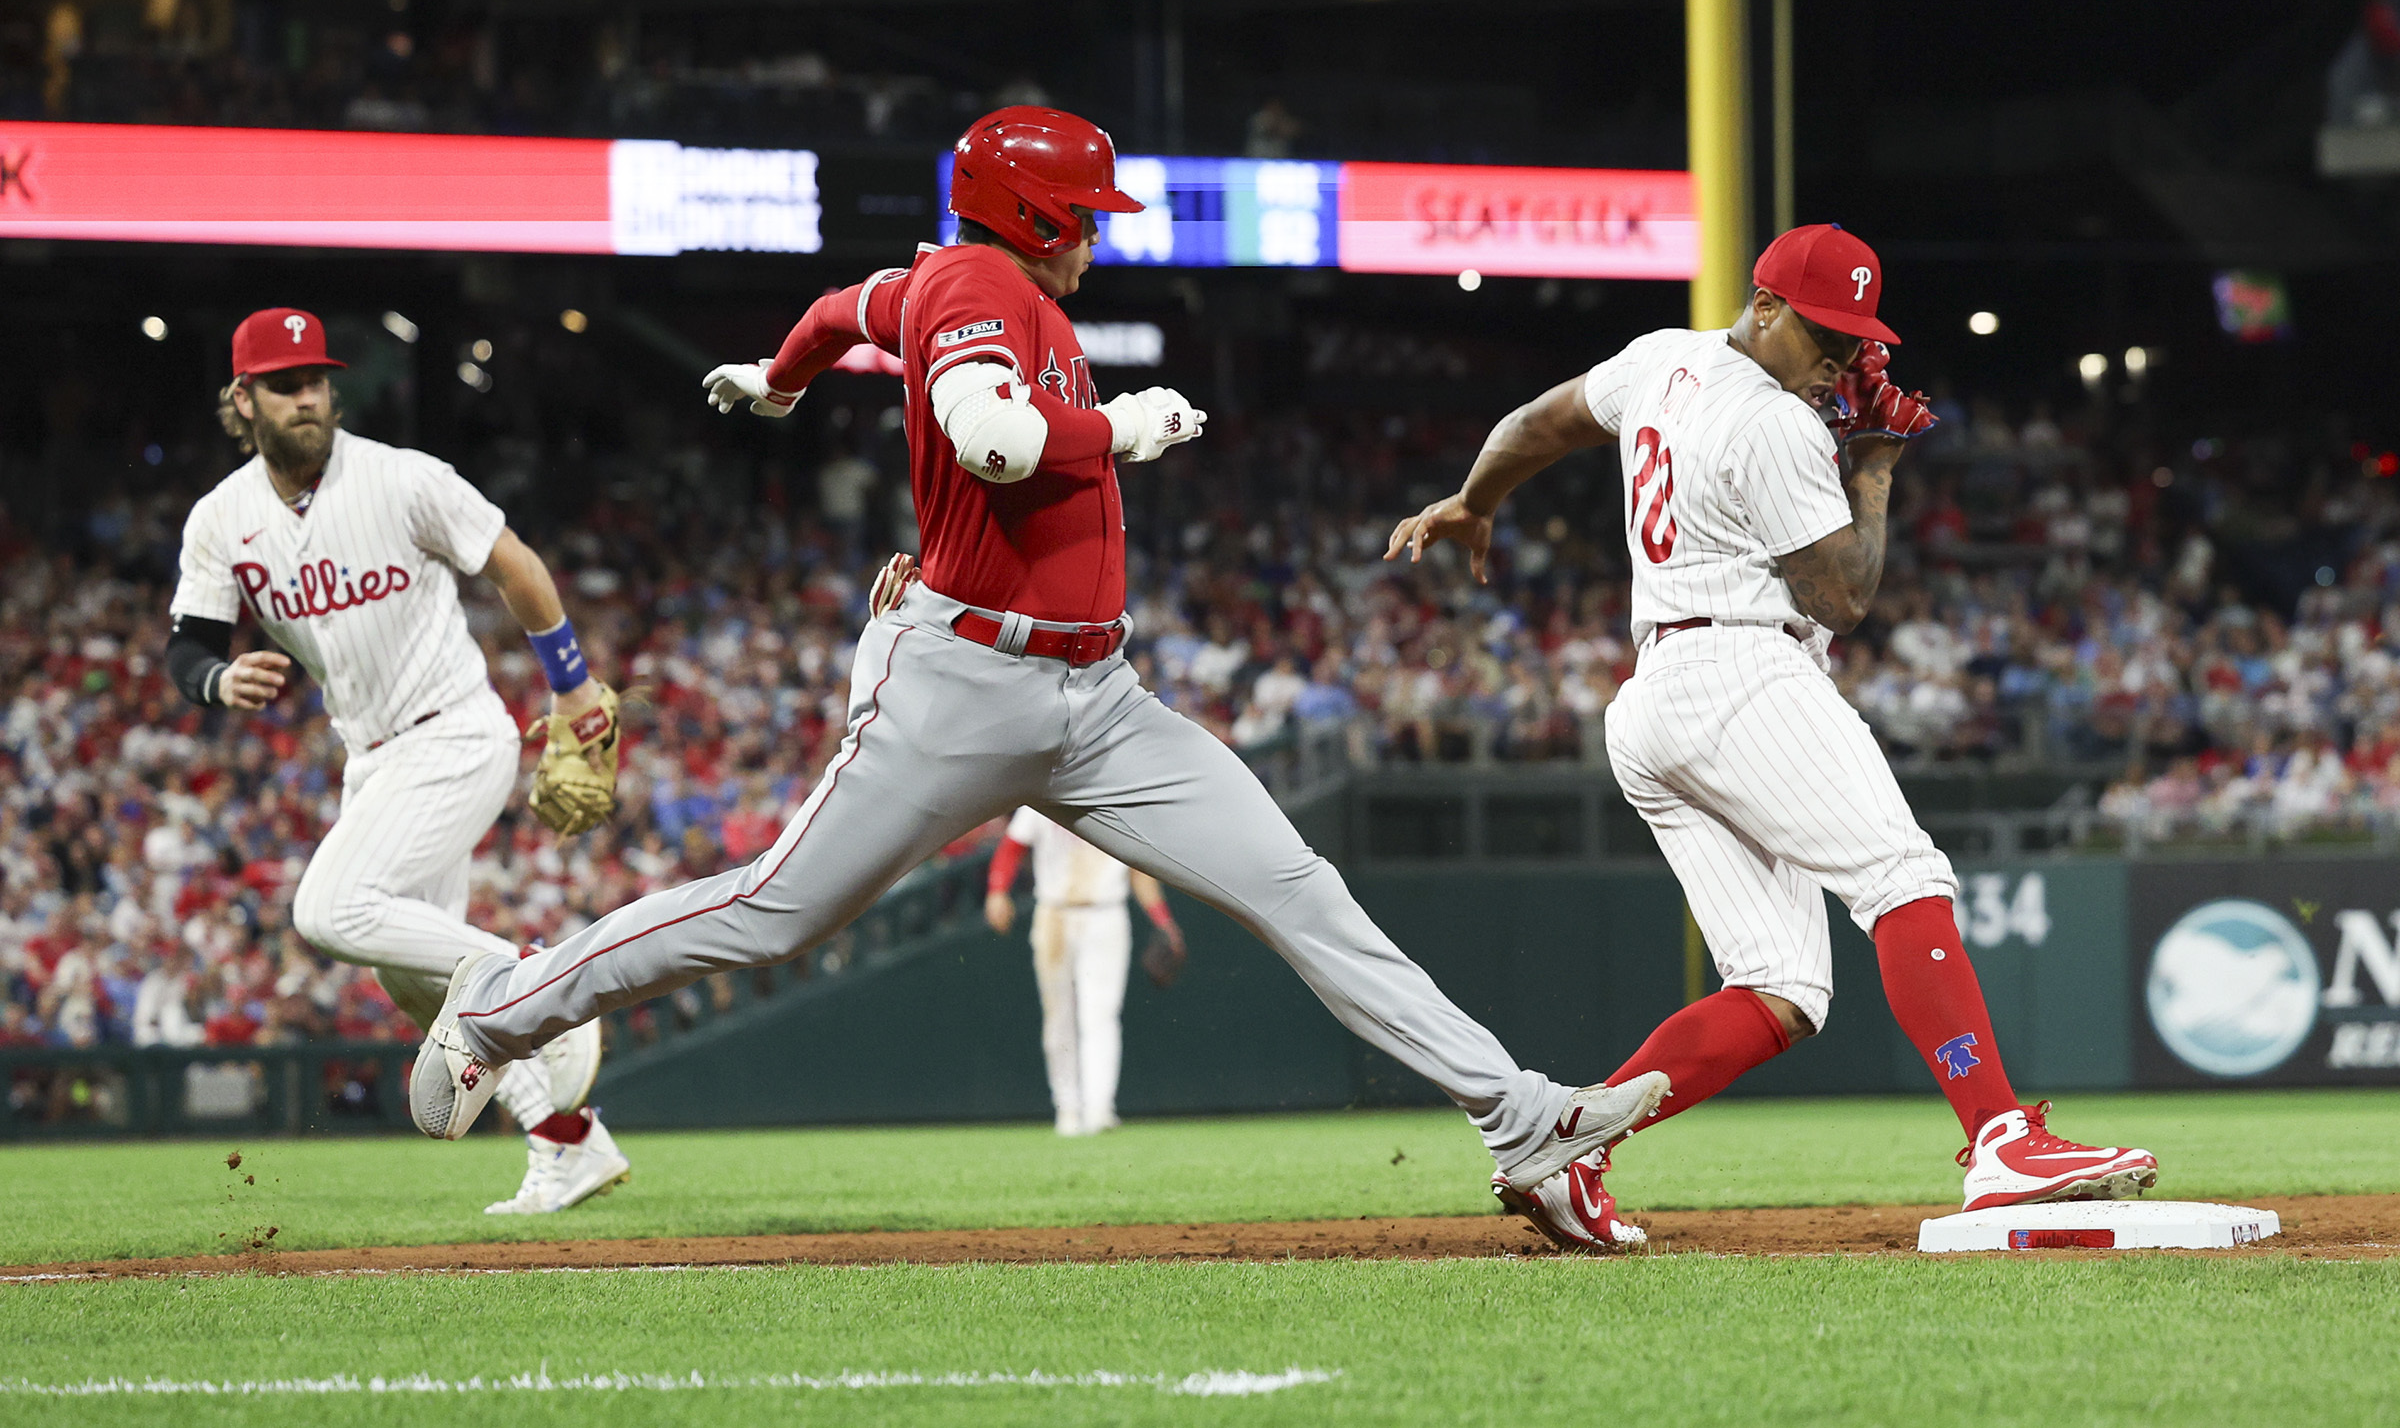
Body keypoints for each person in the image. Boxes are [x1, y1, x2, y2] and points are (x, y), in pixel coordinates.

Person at [407, 107, 1668, 1235]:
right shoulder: (974, 284)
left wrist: (781, 380)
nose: (1096, 239)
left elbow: (844, 309)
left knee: (1296, 884)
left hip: (1099, 699)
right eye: (1084, 218)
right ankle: (500, 1009)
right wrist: (1132, 423)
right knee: (775, 910)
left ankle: (1521, 1121)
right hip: (965, 682)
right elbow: (997, 441)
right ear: (1033, 214)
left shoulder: (957, 287)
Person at [1387, 224, 2160, 1246]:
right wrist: (1876, 470)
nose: (1839, 355)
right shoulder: (1779, 427)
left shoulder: (1660, 357)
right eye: (1823, 330)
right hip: (1744, 670)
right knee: (1901, 875)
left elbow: (1542, 421)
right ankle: (1999, 1138)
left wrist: (1474, 500)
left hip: (1656, 696)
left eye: (1853, 336)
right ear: (1764, 305)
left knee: (1786, 991)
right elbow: (1840, 598)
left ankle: (1565, 1150)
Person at [165, 308, 632, 1216]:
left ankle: (540, 981)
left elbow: (515, 564)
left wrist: (573, 691)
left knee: (331, 908)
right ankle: (567, 1143)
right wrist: (219, 681)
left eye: (317, 380)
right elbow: (187, 647)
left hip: (456, 732)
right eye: (284, 384)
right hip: (372, 757)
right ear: (242, 399)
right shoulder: (222, 519)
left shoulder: (401, 478)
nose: (307, 396)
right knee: (414, 978)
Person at [985, 806, 1185, 1136]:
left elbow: (1138, 871)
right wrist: (996, 890)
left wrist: (1163, 919)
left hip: (1105, 914)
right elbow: (1012, 846)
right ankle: (1068, 1110)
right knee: (1058, 1016)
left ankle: (1099, 1109)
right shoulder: (1045, 795)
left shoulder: (1118, 802)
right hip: (1054, 913)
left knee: (1101, 1013)